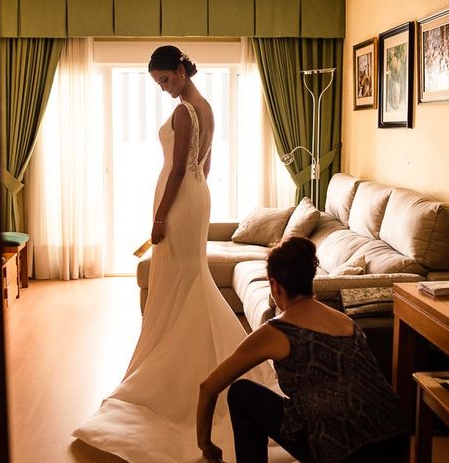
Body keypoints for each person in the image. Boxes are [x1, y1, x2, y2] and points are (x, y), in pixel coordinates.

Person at [73, 45, 274, 463]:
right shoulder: (206, 106)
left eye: (165, 79)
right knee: (190, 279)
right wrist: (189, 191)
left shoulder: (186, 111)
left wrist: (161, 216)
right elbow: (205, 161)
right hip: (196, 196)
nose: (163, 88)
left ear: (181, 70)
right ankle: (214, 358)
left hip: (181, 199)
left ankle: (181, 367)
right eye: (158, 83)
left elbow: (181, 167)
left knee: (184, 279)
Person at [197, 236, 408, 463]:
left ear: (275, 285)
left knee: (241, 393)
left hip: (342, 452)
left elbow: (208, 387)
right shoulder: (346, 321)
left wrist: (206, 445)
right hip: (396, 440)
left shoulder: (277, 330)